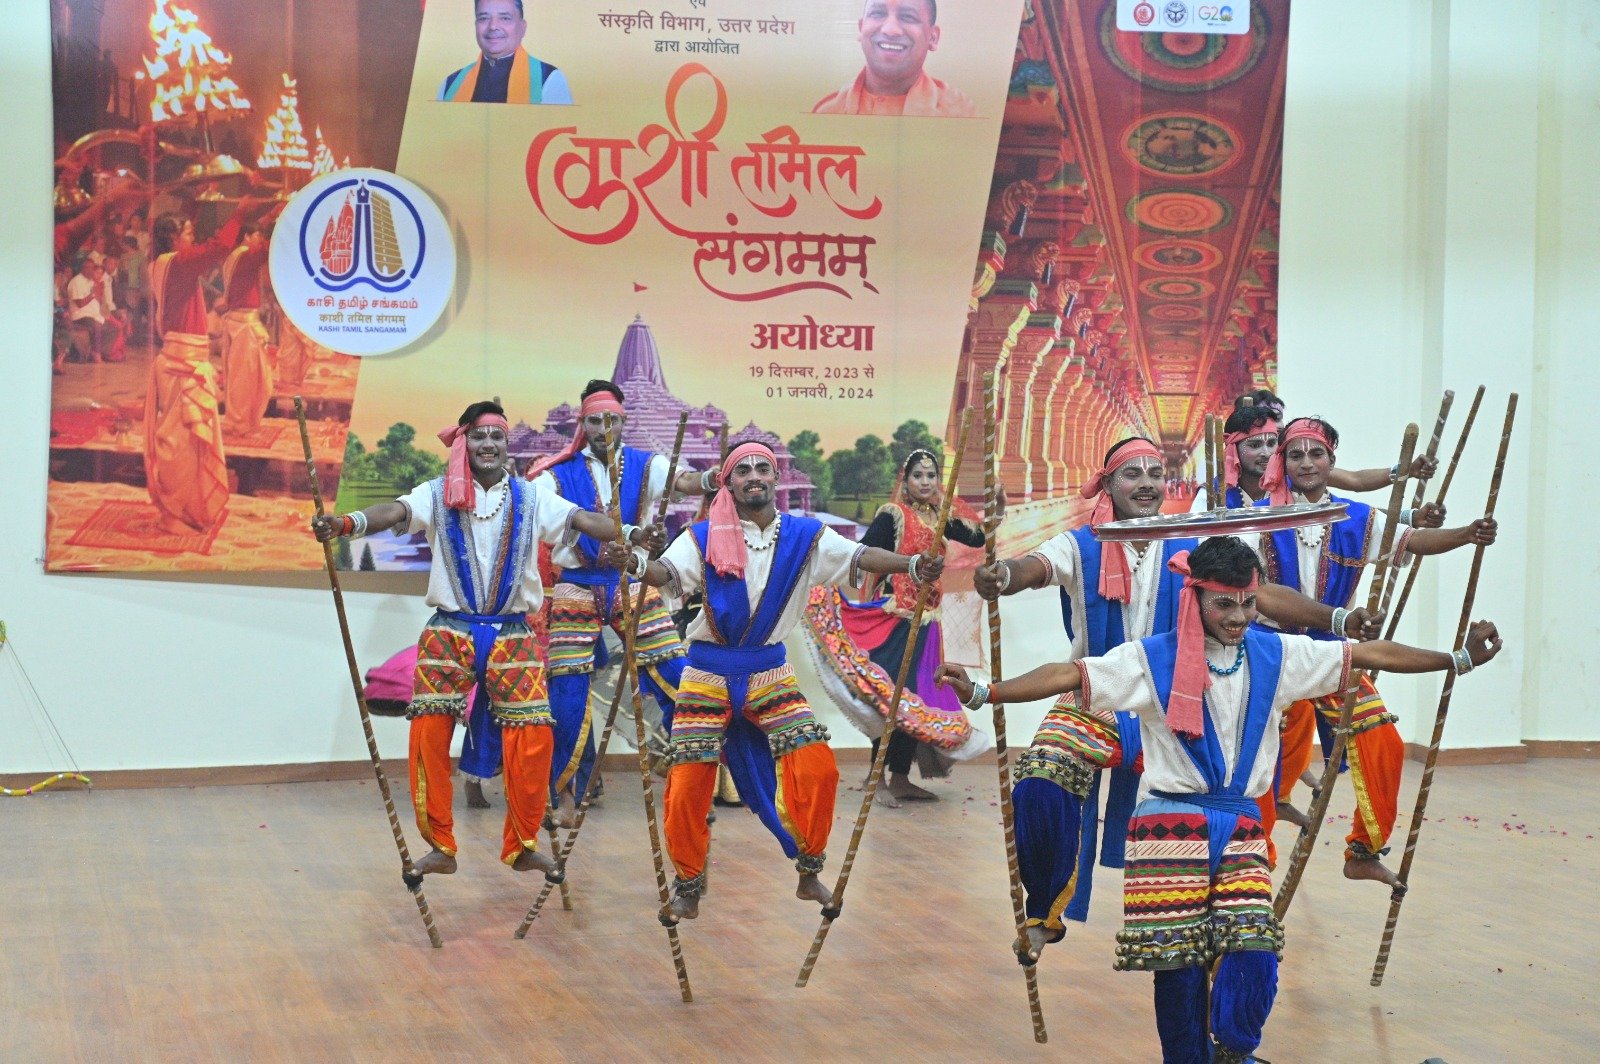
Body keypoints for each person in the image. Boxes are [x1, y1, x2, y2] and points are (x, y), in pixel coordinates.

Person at [940, 536, 1505, 1064]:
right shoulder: (1149, 659)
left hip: (1238, 824)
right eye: (1223, 605)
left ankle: (1234, 1052)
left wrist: (1457, 659)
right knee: (1179, 967)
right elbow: (1069, 673)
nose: (1237, 617)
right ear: (1196, 597)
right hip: (1169, 823)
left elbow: (1368, 653)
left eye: (1247, 603)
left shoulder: (1278, 654)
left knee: (1254, 950)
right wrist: (985, 692)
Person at [973, 437, 1374, 958]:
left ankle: (1230, 918)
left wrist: (1336, 619)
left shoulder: (1191, 541)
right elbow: (1032, 569)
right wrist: (1002, 576)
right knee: (1040, 780)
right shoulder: (1081, 544)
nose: (1146, 484)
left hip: (1180, 703)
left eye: (1155, 474)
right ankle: (1044, 910)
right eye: (1132, 474)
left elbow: (1261, 594)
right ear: (1108, 483)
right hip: (1097, 696)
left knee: (1223, 796)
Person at [617, 441, 943, 921]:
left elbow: (860, 556)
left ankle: (809, 871)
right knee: (687, 783)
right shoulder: (701, 536)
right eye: (743, 469)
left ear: (775, 477)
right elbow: (666, 572)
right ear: (728, 482)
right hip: (707, 673)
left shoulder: (806, 537)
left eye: (762, 468)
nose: (754, 476)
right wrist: (634, 564)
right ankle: (688, 884)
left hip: (768, 670)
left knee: (816, 767)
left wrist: (911, 565)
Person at [311, 401, 622, 877]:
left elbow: (582, 520)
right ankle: (440, 845)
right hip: (450, 630)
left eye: (497, 436)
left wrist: (625, 531)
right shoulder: (437, 494)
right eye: (479, 436)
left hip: (512, 633)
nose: (489, 444)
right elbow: (394, 510)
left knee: (534, 735)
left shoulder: (531, 496)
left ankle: (522, 843)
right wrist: (345, 524)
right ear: (464, 443)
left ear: (507, 445)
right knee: (428, 734)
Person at [1251, 416, 1497, 889]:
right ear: (1282, 461)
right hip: (1270, 651)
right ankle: (1249, 864)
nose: (1306, 463)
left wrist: (1467, 533)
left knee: (1382, 739)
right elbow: (1260, 595)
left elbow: (1412, 541)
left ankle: (1363, 851)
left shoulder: (1357, 517)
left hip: (1330, 653)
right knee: (1258, 754)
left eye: (1316, 454)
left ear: (1332, 461)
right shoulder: (1257, 519)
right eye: (1296, 454)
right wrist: (1340, 618)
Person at [527, 379, 715, 827]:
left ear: (623, 421)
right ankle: (564, 794)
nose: (603, 428)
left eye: (611, 420)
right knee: (566, 694)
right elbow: (538, 511)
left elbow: (683, 480)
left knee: (677, 675)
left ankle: (691, 784)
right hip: (576, 586)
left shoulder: (646, 465)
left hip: (630, 580)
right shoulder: (556, 475)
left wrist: (711, 478)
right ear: (583, 423)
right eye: (595, 421)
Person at [802, 447, 992, 808]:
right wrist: (907, 564)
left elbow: (978, 539)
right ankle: (876, 780)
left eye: (931, 475)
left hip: (928, 627)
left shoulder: (942, 517)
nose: (925, 482)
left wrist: (995, 508)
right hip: (894, 621)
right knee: (889, 700)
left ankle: (901, 778)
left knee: (913, 704)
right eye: (918, 475)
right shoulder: (893, 515)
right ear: (905, 481)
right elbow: (863, 554)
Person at [147, 201, 267, 533]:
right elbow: (217, 248)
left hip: (186, 359)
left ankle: (190, 506)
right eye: (188, 233)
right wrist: (239, 213)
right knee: (180, 443)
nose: (192, 239)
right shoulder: (175, 264)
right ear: (173, 238)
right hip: (181, 364)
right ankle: (174, 511)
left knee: (191, 443)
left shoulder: (167, 263)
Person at [812, 0, 976, 117]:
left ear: (933, 37)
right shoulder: (828, 112)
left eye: (908, 17)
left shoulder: (960, 114)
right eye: (877, 13)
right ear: (861, 29)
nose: (890, 30)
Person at [437, 0, 572, 105]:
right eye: (483, 18)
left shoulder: (550, 79)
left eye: (505, 18)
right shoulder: (450, 84)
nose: (493, 26)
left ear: (523, 27)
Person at [218, 221, 274, 436]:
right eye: (257, 235)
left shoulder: (239, 257)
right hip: (242, 326)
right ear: (246, 237)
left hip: (245, 322)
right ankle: (240, 423)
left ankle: (244, 421)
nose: (259, 240)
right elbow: (265, 251)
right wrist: (279, 224)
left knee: (254, 377)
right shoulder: (242, 256)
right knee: (244, 378)